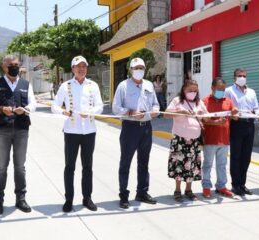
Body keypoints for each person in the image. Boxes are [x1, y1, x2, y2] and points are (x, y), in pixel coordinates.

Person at [0, 55, 37, 215]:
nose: (14, 67)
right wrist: (1, 109)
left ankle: (20, 199)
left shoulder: (26, 84)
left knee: (20, 167)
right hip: (2, 129)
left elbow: (33, 104)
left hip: (22, 129)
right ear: (4, 67)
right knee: (2, 166)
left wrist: (25, 109)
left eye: (16, 64)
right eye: (10, 65)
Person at [51, 56, 103, 213]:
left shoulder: (93, 86)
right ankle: (69, 199)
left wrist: (91, 112)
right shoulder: (65, 86)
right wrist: (63, 111)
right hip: (71, 132)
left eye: (84, 66)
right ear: (72, 69)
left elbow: (100, 106)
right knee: (69, 166)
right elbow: (54, 106)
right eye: (78, 66)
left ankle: (87, 198)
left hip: (89, 131)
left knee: (88, 166)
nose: (81, 69)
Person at [112, 57, 160, 209]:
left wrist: (156, 110)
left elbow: (155, 103)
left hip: (146, 127)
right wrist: (130, 112)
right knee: (126, 162)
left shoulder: (149, 85)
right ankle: (123, 195)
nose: (139, 70)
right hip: (130, 127)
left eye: (141, 68)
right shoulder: (123, 85)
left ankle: (142, 192)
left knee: (144, 162)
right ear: (130, 70)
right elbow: (116, 108)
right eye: (136, 68)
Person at [165, 79, 208, 202]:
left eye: (195, 91)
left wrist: (202, 113)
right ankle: (177, 190)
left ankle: (189, 190)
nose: (192, 93)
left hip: (194, 141)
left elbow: (207, 117)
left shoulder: (199, 102)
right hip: (179, 139)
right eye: (190, 90)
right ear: (184, 90)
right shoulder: (177, 101)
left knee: (192, 166)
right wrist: (179, 111)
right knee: (179, 164)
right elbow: (166, 114)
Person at [201, 77, 238, 198]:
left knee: (222, 165)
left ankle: (221, 186)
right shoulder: (204, 101)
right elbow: (201, 120)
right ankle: (206, 187)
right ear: (212, 88)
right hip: (210, 139)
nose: (221, 91)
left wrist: (235, 112)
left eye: (223, 89)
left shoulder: (228, 101)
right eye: (219, 89)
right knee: (207, 164)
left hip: (224, 139)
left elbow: (234, 115)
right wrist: (215, 123)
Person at [225, 68, 259, 196]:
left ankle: (242, 184)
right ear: (234, 77)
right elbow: (226, 107)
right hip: (236, 125)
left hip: (249, 125)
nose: (242, 77)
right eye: (239, 75)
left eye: (244, 75)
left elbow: (256, 107)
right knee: (236, 155)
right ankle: (235, 185)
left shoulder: (251, 91)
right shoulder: (229, 91)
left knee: (246, 156)